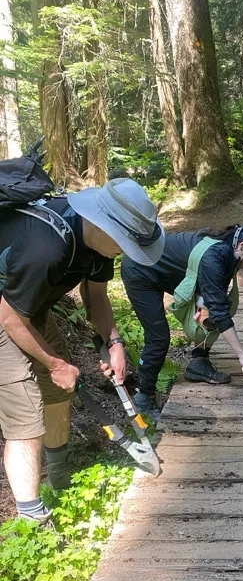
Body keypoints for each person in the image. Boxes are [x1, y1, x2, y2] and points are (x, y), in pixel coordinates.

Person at [0, 178, 164, 524]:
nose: (124, 251)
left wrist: (114, 343)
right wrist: (55, 363)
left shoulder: (98, 245)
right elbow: (11, 317)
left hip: (31, 309)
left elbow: (97, 298)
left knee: (58, 396)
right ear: (102, 224)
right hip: (8, 313)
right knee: (27, 417)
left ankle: (57, 477)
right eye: (124, 243)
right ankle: (34, 518)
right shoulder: (46, 248)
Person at [121, 223, 243, 418]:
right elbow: (219, 313)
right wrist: (242, 356)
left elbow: (216, 305)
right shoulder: (214, 258)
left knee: (212, 314)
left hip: (168, 273)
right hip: (140, 270)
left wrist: (207, 312)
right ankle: (144, 398)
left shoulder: (228, 252)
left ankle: (198, 363)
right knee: (158, 337)